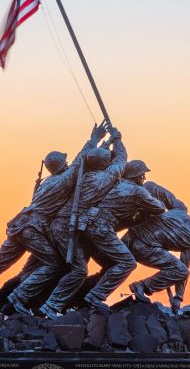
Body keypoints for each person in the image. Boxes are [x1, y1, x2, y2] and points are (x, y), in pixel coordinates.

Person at [0, 124, 106, 315]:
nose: (69, 163)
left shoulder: (47, 182)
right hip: (33, 229)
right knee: (53, 264)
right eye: (66, 161)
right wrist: (94, 138)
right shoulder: (62, 182)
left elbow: (80, 163)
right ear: (62, 165)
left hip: (19, 225)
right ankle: (19, 297)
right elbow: (80, 161)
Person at [36, 127, 128, 318]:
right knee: (78, 270)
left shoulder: (78, 174)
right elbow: (121, 160)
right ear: (104, 164)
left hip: (61, 225)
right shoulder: (103, 179)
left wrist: (101, 142)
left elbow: (84, 158)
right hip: (64, 227)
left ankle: (50, 304)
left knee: (69, 268)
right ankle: (51, 306)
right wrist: (117, 140)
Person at [70, 159, 166, 312]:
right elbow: (159, 208)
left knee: (110, 264)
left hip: (87, 225)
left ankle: (78, 296)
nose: (144, 179)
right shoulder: (138, 191)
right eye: (143, 175)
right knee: (128, 263)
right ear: (137, 176)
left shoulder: (114, 184)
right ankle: (95, 296)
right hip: (101, 228)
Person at [122, 182, 190, 314]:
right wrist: (178, 298)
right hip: (143, 248)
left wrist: (144, 209)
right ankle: (142, 286)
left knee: (111, 265)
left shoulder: (180, 208)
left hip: (129, 237)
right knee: (182, 271)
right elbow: (182, 272)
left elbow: (151, 186)